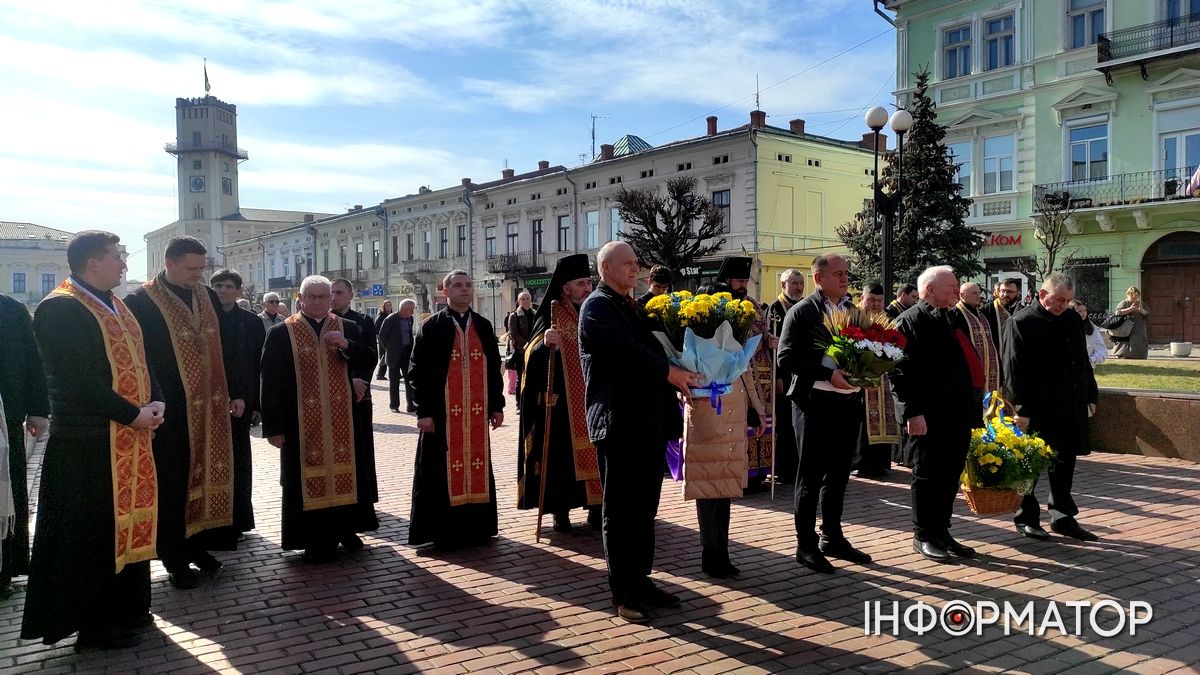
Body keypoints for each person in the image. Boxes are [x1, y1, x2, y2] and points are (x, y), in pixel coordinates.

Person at [22, 231, 163, 649]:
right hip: (86, 445)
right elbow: (77, 380)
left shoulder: (115, 303)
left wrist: (157, 401)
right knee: (91, 537)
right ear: (92, 263)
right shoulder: (60, 308)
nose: (123, 263)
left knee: (124, 525)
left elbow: (141, 359)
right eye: (116, 257)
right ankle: (94, 625)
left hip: (127, 437)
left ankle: (128, 608)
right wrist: (133, 414)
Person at [580, 241, 699, 624]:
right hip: (619, 422)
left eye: (637, 263)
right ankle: (622, 592)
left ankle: (641, 579)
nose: (636, 269)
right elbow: (627, 352)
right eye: (628, 264)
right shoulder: (597, 307)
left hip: (647, 421)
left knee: (644, 508)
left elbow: (657, 346)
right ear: (606, 268)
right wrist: (672, 373)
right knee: (620, 510)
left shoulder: (632, 305)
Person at [124, 236, 241, 590]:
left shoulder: (205, 295)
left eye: (201, 268)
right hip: (171, 412)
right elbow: (137, 358)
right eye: (192, 269)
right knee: (173, 485)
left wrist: (235, 391)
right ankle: (174, 558)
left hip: (211, 406)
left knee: (204, 477)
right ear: (169, 263)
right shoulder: (140, 301)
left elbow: (227, 346)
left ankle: (199, 546)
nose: (198, 275)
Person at [260, 276, 379, 563]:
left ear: (331, 299)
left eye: (322, 297)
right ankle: (311, 538)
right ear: (300, 299)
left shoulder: (346, 327)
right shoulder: (281, 333)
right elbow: (270, 381)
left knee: (347, 473)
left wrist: (348, 349)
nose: (316, 302)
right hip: (299, 423)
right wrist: (273, 428)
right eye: (310, 297)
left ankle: (346, 531)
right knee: (304, 479)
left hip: (343, 421)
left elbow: (370, 358)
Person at [777, 254, 871, 574]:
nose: (845, 279)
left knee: (840, 473)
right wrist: (825, 374)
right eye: (838, 274)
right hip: (814, 403)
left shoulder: (853, 311)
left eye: (847, 273)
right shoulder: (802, 312)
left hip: (847, 403)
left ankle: (832, 537)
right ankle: (805, 545)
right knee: (811, 477)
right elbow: (786, 358)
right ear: (818, 279)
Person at [890, 266, 984, 562]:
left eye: (957, 286)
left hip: (956, 412)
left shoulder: (952, 315)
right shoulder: (908, 321)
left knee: (950, 474)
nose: (957, 291)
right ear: (930, 289)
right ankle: (923, 535)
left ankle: (942, 531)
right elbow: (900, 374)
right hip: (927, 415)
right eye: (952, 286)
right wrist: (912, 412)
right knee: (927, 474)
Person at [408, 271, 505, 550]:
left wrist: (496, 405)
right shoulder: (432, 327)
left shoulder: (484, 326)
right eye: (458, 286)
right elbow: (417, 372)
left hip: (475, 414)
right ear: (446, 291)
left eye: (468, 285)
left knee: (477, 465)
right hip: (440, 416)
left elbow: (493, 369)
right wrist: (422, 411)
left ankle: (477, 528)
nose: (465, 290)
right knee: (438, 470)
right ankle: (442, 531)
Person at [1004, 273, 1100, 542]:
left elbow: (1082, 361)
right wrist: (1020, 409)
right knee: (1030, 467)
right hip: (1035, 408)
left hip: (1069, 406)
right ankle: (1026, 518)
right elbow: (1013, 370)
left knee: (1064, 463)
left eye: (1067, 301)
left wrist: (1091, 395)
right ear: (1042, 294)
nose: (1063, 305)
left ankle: (1062, 517)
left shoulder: (1071, 319)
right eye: (1059, 300)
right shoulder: (1021, 322)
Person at [516, 254, 603, 533]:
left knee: (597, 456)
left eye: (589, 282)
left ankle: (596, 508)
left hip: (593, 401)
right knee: (561, 460)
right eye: (581, 283)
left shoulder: (595, 310)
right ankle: (560, 512)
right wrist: (544, 343)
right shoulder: (551, 314)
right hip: (563, 404)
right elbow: (528, 355)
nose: (587, 288)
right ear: (565, 288)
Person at [0, 292, 50, 599]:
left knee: (8, 493)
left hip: (7, 419)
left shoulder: (11, 309)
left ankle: (4, 569)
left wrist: (38, 409)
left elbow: (33, 360)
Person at [210, 269, 266, 537]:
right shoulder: (203, 319)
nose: (223, 290)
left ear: (239, 291)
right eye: (218, 285)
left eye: (229, 286)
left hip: (242, 405)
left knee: (239, 461)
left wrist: (256, 404)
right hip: (209, 403)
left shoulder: (251, 322)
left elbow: (257, 365)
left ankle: (239, 519)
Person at [851, 282, 897, 478]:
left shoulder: (888, 318)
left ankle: (881, 462)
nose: (876, 304)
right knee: (862, 419)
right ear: (863, 298)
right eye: (872, 300)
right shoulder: (854, 318)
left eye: (879, 300)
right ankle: (861, 462)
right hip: (859, 376)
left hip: (883, 376)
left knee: (885, 417)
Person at [766, 269, 804, 487]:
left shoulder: (803, 307)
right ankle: (784, 468)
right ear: (783, 286)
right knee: (784, 424)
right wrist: (778, 376)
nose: (798, 287)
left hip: (800, 373)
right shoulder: (775, 309)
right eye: (793, 283)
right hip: (783, 374)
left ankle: (796, 466)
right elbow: (772, 346)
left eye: (800, 283)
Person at [955, 281, 1000, 395]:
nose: (978, 296)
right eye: (974, 293)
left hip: (988, 369)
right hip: (968, 372)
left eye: (979, 293)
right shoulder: (955, 314)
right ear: (962, 295)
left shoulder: (981, 314)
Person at [379, 299, 417, 413]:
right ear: (405, 309)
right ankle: (394, 405)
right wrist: (389, 349)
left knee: (409, 380)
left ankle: (411, 405)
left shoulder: (410, 318)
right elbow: (381, 337)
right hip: (393, 355)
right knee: (394, 381)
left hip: (407, 353)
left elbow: (409, 334)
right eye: (411, 310)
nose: (413, 312)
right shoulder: (390, 319)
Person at [505, 291, 536, 403]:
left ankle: (531, 402)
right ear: (518, 301)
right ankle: (519, 403)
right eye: (523, 299)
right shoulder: (514, 316)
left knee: (533, 378)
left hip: (534, 350)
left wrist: (534, 344)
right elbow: (514, 334)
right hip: (520, 351)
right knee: (520, 377)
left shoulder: (535, 314)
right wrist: (527, 344)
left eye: (527, 298)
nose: (525, 301)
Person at [983, 277, 1022, 356]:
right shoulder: (987, 310)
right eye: (1002, 291)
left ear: (1018, 293)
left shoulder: (1023, 311)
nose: (1005, 295)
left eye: (1009, 292)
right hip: (995, 356)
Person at [1112, 287, 1150, 359]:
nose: (1134, 299)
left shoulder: (1141, 304)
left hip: (1139, 329)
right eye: (1132, 296)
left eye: (1136, 296)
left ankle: (1140, 356)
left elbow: (1148, 315)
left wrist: (1141, 310)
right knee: (1125, 344)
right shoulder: (1124, 303)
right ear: (1128, 295)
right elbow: (1117, 313)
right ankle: (1123, 355)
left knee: (1139, 343)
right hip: (1126, 329)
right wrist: (1130, 309)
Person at [1071, 299, 1107, 366]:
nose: (1083, 313)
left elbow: (1101, 350)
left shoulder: (1092, 328)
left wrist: (1091, 359)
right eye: (1080, 311)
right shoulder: (1065, 326)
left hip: (1086, 368)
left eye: (1085, 310)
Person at [374, 300, 393, 380]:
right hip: (383, 340)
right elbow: (376, 329)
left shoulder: (392, 315)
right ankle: (380, 374)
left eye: (390, 305)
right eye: (387, 305)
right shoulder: (381, 316)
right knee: (383, 357)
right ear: (384, 306)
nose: (389, 307)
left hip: (391, 339)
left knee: (393, 356)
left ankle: (397, 373)